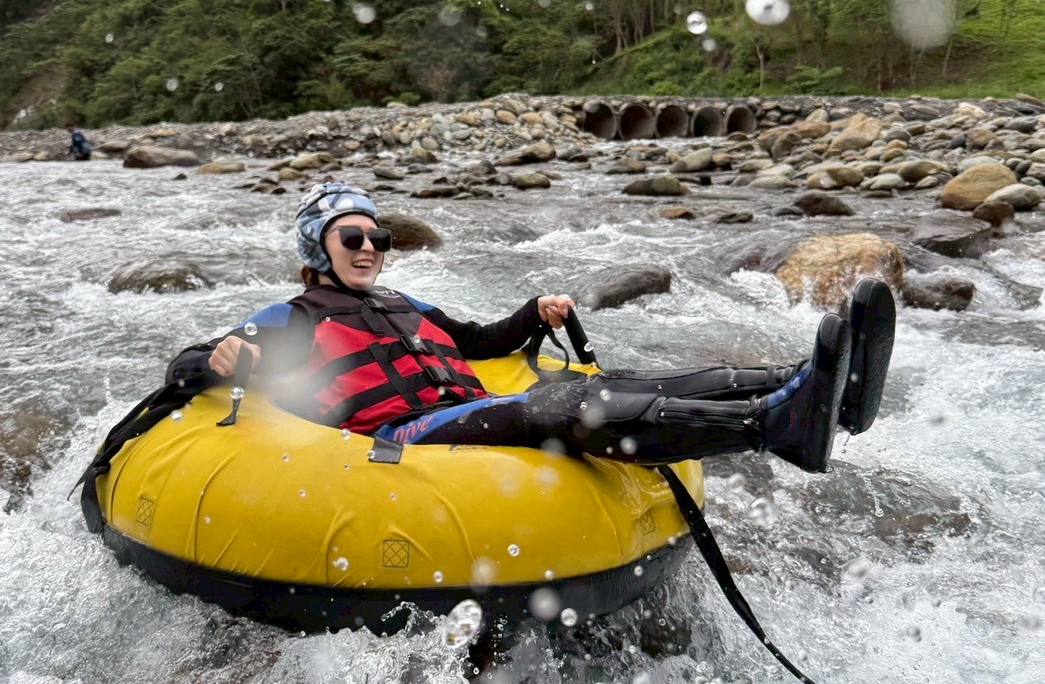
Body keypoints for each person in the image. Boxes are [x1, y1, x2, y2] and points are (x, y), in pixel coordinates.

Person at [166, 182, 896, 474]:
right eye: (350, 236)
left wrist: (532, 311)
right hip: (403, 439)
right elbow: (189, 364)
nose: (368, 248)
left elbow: (480, 342)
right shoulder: (292, 318)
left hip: (463, 410)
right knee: (556, 404)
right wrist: (215, 356)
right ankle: (775, 427)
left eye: (378, 238)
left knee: (613, 382)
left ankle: (814, 383)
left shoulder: (407, 307)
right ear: (316, 249)